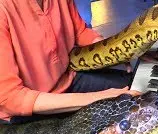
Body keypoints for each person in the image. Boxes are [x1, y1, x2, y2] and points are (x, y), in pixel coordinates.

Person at [0, 0, 145, 123]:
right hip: (25, 110)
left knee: (138, 89)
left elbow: (80, 32)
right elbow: (10, 98)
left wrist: (121, 52)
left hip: (66, 79)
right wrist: (99, 97)